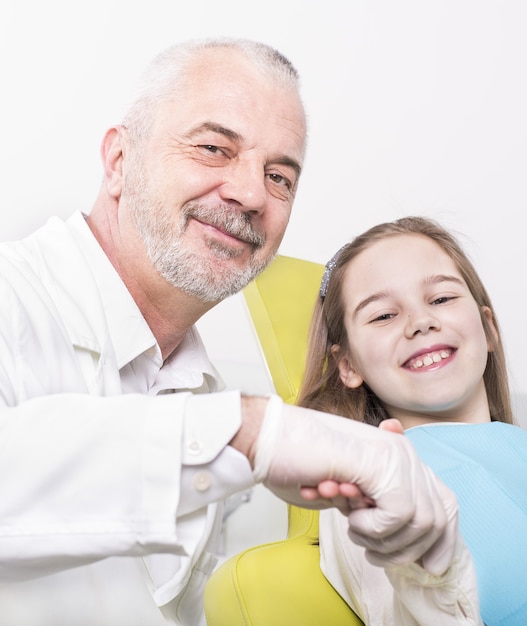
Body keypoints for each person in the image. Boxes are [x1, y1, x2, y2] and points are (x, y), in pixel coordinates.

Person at [0, 39, 461, 626]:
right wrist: (254, 433)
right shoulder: (11, 293)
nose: (249, 195)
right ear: (119, 160)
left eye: (279, 177)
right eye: (215, 148)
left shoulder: (201, 390)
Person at [298, 216, 527, 626]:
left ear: (488, 328)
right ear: (347, 365)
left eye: (440, 299)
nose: (421, 322)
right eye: (384, 315)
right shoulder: (371, 487)